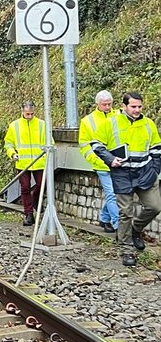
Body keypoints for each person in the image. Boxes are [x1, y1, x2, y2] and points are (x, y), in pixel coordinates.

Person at [90, 91, 161, 267]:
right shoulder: (111, 122)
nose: (137, 110)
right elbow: (96, 144)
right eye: (133, 106)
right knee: (125, 212)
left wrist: (155, 170)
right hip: (122, 173)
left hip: (145, 172)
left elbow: (157, 148)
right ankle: (126, 249)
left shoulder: (148, 124)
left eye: (139, 106)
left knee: (154, 206)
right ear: (124, 106)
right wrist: (110, 159)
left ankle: (135, 230)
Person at [78, 90, 119, 235]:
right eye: (104, 104)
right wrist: (95, 159)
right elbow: (84, 145)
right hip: (101, 164)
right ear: (97, 104)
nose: (107, 107)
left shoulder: (119, 116)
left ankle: (105, 218)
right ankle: (118, 225)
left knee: (116, 194)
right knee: (112, 194)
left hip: (118, 163)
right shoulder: (87, 121)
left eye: (109, 104)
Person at [4, 101, 49, 226]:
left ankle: (35, 200)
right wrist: (12, 153)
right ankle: (28, 214)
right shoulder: (14, 126)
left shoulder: (42, 125)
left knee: (41, 185)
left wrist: (46, 152)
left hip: (39, 162)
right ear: (22, 111)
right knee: (25, 188)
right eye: (27, 114)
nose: (29, 116)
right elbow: (8, 143)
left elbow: (49, 141)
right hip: (22, 162)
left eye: (31, 114)